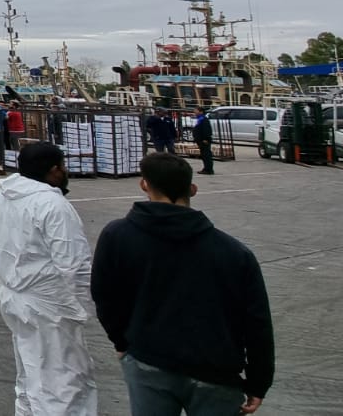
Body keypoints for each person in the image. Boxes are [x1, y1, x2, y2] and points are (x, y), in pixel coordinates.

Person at [90, 153, 273, 415]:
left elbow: (105, 297)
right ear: (192, 189)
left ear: (144, 185)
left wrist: (121, 342)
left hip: (148, 360)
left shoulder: (117, 236)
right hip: (216, 372)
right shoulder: (234, 253)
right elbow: (257, 323)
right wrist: (258, 382)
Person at [0, 141, 99, 415]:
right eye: (62, 166)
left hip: (15, 296)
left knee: (31, 375)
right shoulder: (52, 205)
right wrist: (90, 308)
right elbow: (74, 265)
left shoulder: (3, 195)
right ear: (54, 171)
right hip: (50, 306)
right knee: (63, 383)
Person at [191, 109, 215, 175]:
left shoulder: (204, 119)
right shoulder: (200, 119)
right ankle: (206, 168)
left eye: (196, 111)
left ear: (201, 112)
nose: (195, 112)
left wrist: (206, 139)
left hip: (204, 141)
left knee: (206, 155)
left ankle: (209, 169)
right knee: (204, 155)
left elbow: (207, 130)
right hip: (200, 140)